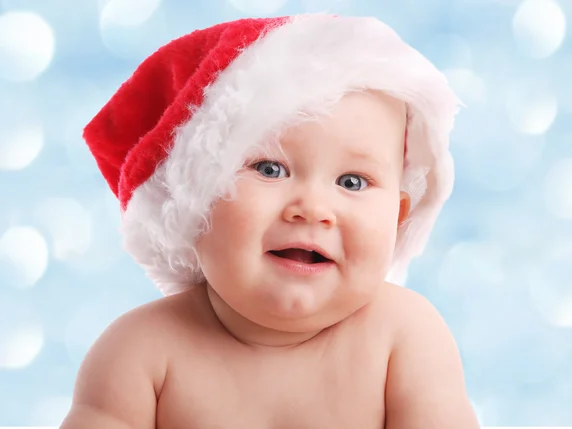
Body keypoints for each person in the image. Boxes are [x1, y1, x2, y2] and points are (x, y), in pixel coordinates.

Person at [60, 13, 480, 429]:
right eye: (269, 169)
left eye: (352, 181)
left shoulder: (404, 337)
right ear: (195, 198)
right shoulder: (139, 354)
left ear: (398, 219)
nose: (313, 208)